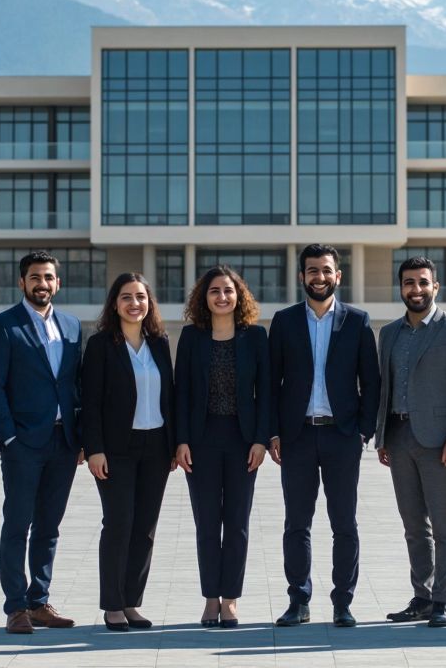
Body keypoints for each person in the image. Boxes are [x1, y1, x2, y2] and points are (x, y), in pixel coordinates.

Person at [267, 244, 380, 628]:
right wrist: (273, 433)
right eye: (312, 270)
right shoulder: (283, 322)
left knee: (344, 523)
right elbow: (270, 383)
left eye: (326, 270)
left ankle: (342, 603)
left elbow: (372, 381)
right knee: (296, 523)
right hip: (296, 436)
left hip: (342, 436)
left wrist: (363, 431)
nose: (319, 277)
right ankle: (299, 600)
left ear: (338, 276)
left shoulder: (358, 321)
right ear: (302, 277)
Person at [374, 256, 446, 628]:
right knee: (414, 526)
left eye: (422, 283)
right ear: (400, 287)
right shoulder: (388, 333)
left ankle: (442, 601)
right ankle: (421, 595)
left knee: (444, 524)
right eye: (408, 283)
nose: (415, 289)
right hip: (399, 438)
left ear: (435, 287)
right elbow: (384, 388)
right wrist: (382, 436)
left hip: (439, 443)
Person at [0, 251, 84, 634]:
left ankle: (39, 601)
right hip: (23, 443)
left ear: (57, 283)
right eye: (35, 277)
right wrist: (7, 436)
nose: (42, 283)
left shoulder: (73, 326)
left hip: (63, 442)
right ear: (22, 282)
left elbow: (76, 386)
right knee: (18, 523)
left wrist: (80, 438)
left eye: (48, 277)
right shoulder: (3, 326)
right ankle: (15, 607)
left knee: (49, 526)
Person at [175, 265, 271, 628]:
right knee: (206, 523)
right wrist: (181, 440)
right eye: (215, 291)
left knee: (237, 522)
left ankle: (230, 599)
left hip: (243, 440)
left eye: (228, 291)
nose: (222, 297)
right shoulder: (190, 337)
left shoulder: (256, 337)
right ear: (205, 297)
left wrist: (261, 439)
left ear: (238, 295)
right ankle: (210, 598)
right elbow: (180, 391)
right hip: (200, 441)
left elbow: (266, 394)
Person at [79, 273, 175, 632]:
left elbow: (170, 396)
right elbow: (90, 402)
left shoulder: (160, 343)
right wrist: (94, 449)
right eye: (126, 297)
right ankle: (113, 604)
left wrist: (174, 444)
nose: (135, 304)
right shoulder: (102, 345)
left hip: (156, 447)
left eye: (141, 297)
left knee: (145, 528)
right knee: (119, 523)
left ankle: (132, 601)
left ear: (149, 302)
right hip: (116, 449)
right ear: (114, 304)